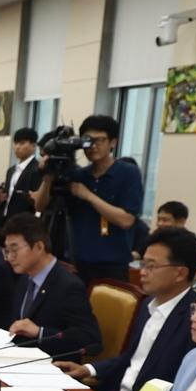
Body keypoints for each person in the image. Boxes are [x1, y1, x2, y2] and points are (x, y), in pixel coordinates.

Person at [58, 228, 196, 391]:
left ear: (180, 273)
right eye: (143, 264)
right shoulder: (148, 304)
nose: (143, 272)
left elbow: (182, 385)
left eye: (151, 266)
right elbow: (131, 358)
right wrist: (88, 369)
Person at [32, 114, 144, 284]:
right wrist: (48, 175)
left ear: (113, 142)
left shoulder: (128, 173)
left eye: (100, 140)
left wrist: (88, 196)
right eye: (88, 140)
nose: (93, 146)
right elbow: (40, 206)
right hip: (75, 262)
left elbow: (126, 220)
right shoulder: (77, 174)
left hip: (111, 263)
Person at [3, 214, 102, 356]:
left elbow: (89, 338)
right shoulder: (24, 278)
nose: (10, 257)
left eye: (15, 249)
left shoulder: (69, 286)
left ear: (38, 247)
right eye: (7, 250)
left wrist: (40, 332)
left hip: (52, 365)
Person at [1, 128, 41, 218]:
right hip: (7, 218)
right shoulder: (11, 171)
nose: (17, 147)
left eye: (22, 143)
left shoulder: (37, 169)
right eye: (15, 143)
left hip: (26, 219)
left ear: (33, 145)